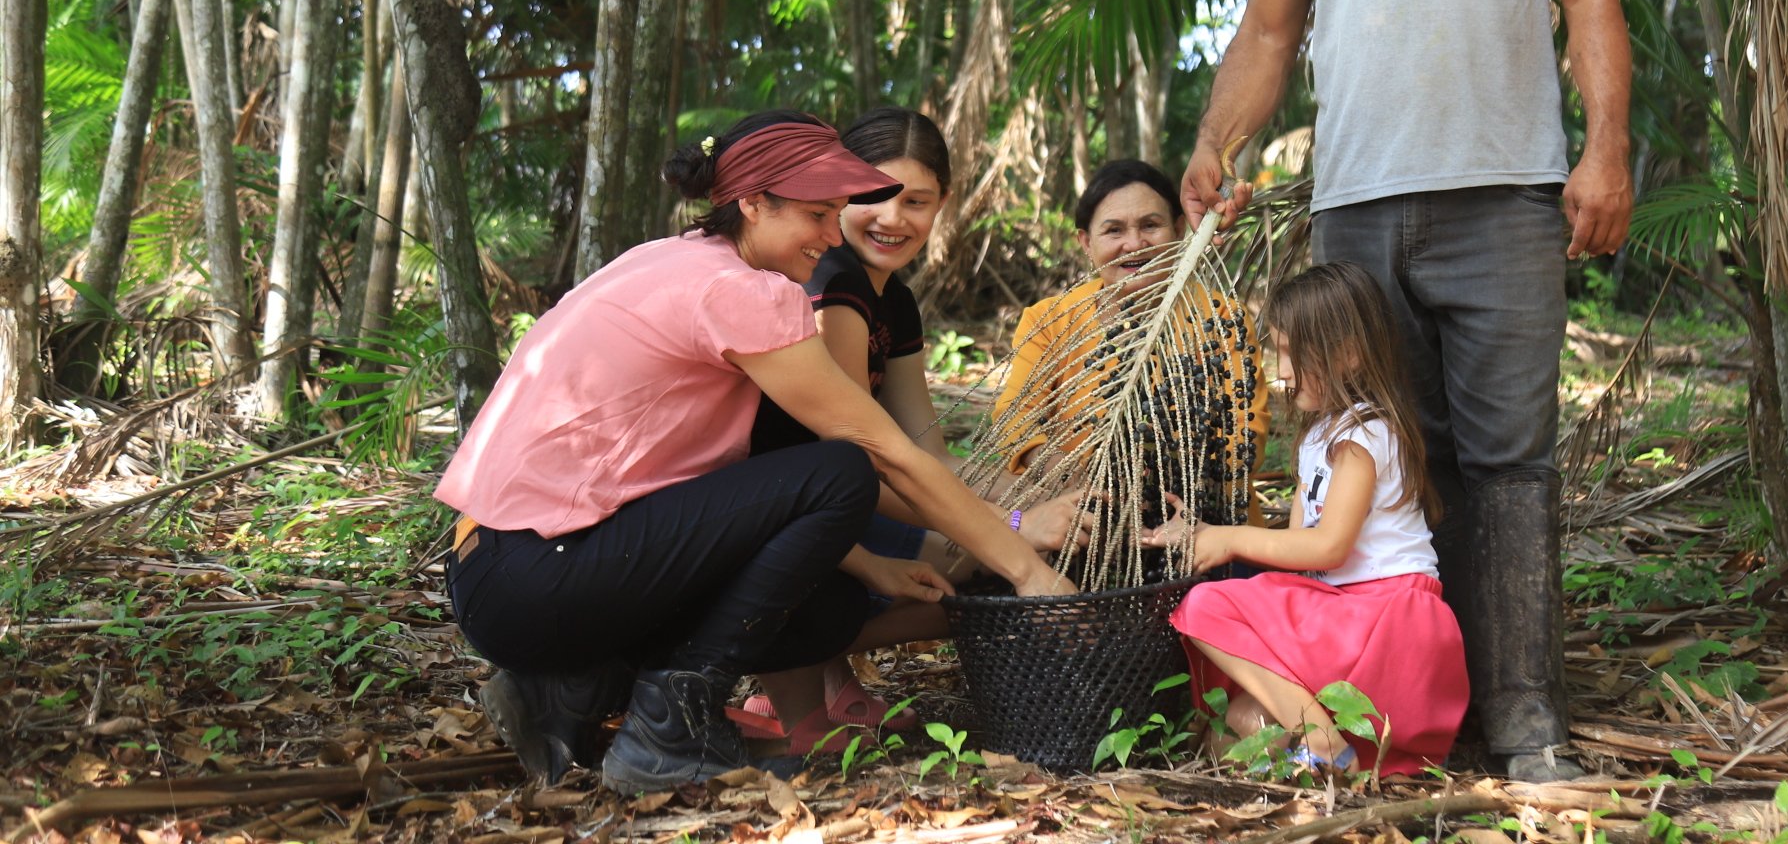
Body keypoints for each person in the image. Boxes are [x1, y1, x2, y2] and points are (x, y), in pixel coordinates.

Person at [1180, 0, 1633, 781]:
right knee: (1391, 457)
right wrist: (1216, 142)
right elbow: (1269, 35)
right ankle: (1414, 706)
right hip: (1360, 209)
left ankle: (1526, 717)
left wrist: (1608, 147)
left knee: (1509, 461)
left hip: (1507, 196)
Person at [436, 112, 1072, 794]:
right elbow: (880, 452)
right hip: (536, 571)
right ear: (751, 202)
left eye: (837, 214)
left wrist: (870, 563)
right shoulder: (743, 291)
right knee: (841, 470)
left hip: (498, 569)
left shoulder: (670, 257)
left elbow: (715, 487)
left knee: (821, 608)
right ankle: (666, 729)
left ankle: (573, 691)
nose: (833, 236)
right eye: (816, 215)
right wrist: (1026, 568)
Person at [735, 109, 1090, 750]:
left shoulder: (892, 297)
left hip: (839, 500)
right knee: (971, 563)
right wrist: (1005, 528)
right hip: (787, 505)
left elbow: (927, 447)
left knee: (983, 546)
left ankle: (823, 676)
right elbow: (855, 461)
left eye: (916, 201)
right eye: (871, 195)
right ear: (837, 192)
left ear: (942, 204)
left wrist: (1022, 503)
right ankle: (788, 662)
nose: (892, 217)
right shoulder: (833, 283)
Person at [1140, 262, 1467, 777]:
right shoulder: (1319, 437)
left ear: (1349, 354)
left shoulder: (1364, 433)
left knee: (1204, 607)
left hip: (1387, 627)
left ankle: (1318, 738)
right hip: (1339, 620)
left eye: (1292, 353)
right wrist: (1202, 534)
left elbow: (1329, 548)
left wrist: (1228, 540)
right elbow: (1298, 548)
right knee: (1232, 726)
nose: (1283, 370)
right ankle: (1329, 764)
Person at [992, 159, 1270, 534]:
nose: (1134, 243)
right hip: (1084, 525)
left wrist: (1176, 485)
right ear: (1086, 243)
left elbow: (1246, 433)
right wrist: (1069, 474)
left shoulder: (1221, 316)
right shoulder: (1050, 321)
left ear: (1177, 230)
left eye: (1150, 226)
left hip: (1205, 528)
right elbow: (1015, 422)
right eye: (1114, 230)